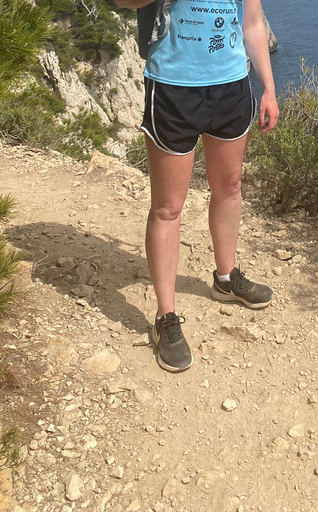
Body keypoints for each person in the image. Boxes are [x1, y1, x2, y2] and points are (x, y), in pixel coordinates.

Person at [113, 0, 279, 372]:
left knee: (230, 187)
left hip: (232, 86)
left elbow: (252, 22)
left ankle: (226, 279)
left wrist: (268, 87)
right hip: (173, 87)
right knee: (168, 207)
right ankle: (166, 317)